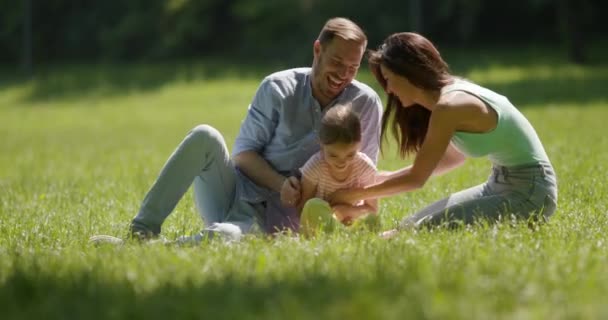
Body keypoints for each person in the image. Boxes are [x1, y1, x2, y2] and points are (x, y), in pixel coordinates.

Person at [126, 18, 383, 242]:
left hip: (295, 216)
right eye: (337, 62)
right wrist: (281, 183)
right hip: (236, 194)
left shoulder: (366, 103)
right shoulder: (277, 88)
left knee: (229, 237)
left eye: (352, 67)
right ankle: (141, 232)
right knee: (205, 136)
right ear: (318, 50)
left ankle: (172, 246)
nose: (343, 74)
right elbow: (244, 154)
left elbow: (362, 176)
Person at [329, 32, 558, 235]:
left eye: (388, 79)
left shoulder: (449, 106)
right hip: (499, 183)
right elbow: (450, 159)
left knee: (416, 233)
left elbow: (416, 179)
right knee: (407, 227)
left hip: (532, 192)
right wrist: (375, 179)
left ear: (409, 73)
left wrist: (351, 195)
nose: (388, 90)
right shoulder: (445, 99)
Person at [297, 104, 379, 236]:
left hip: (352, 222)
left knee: (371, 219)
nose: (342, 162)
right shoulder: (315, 166)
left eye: (350, 154)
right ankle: (326, 236)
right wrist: (329, 213)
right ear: (321, 144)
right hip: (322, 223)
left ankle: (352, 240)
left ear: (360, 144)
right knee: (313, 205)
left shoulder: (365, 167)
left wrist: (346, 210)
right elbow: (303, 208)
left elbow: (372, 209)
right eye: (333, 155)